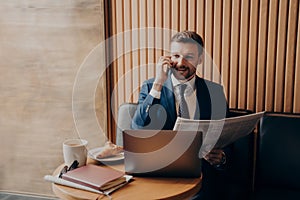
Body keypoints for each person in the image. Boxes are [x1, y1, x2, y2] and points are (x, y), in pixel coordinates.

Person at [131, 30, 231, 200]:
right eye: (176, 56)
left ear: (200, 59)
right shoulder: (151, 86)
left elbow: (228, 137)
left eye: (189, 57)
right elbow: (138, 127)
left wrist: (221, 158)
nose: (180, 63)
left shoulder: (215, 92)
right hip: (159, 176)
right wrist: (158, 84)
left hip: (202, 179)